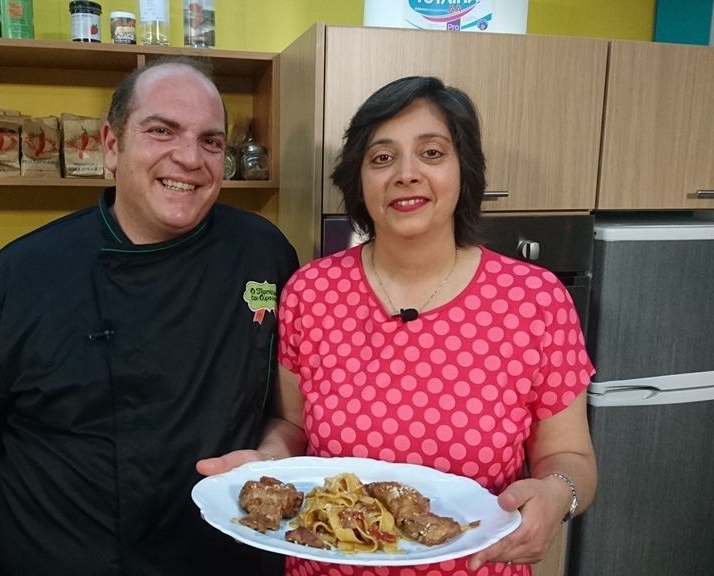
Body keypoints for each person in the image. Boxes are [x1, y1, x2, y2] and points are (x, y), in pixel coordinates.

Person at [0, 57, 299, 576]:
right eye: (161, 131)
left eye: (211, 141)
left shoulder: (263, 253)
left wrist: (270, 460)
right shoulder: (17, 278)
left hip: (222, 560)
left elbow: (287, 412)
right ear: (112, 145)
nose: (189, 158)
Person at [199, 76, 597, 575]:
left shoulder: (535, 301)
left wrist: (559, 495)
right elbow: (293, 426)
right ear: (358, 180)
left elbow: (570, 454)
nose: (406, 174)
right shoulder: (311, 293)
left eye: (431, 153)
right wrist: (267, 466)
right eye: (382, 157)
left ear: (464, 169)